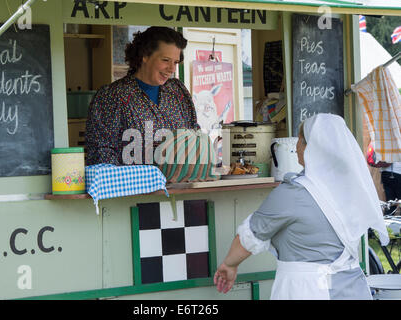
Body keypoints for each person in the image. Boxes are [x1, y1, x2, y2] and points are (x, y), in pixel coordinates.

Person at [214, 113, 389, 300]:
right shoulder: (354, 189)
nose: (296, 147)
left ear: (310, 148)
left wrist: (229, 265)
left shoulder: (294, 193)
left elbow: (250, 235)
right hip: (354, 289)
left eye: (299, 140)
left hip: (308, 290)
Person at [86, 26, 199, 166]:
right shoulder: (112, 96)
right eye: (165, 60)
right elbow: (101, 153)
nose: (172, 69)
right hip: (134, 186)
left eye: (175, 62)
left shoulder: (177, 92)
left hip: (179, 185)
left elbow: (194, 137)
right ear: (145, 55)